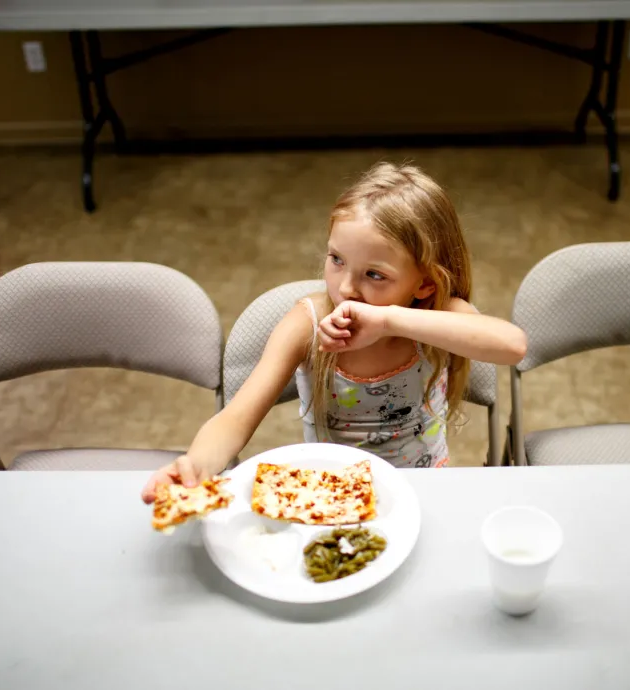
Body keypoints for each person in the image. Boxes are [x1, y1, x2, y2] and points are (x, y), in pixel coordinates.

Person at [141, 162, 526, 503]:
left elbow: (512, 346)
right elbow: (234, 419)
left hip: (424, 493)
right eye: (336, 260)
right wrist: (193, 467)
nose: (345, 288)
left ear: (423, 285)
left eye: (374, 274)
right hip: (337, 496)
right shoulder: (305, 325)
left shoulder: (436, 316)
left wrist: (390, 320)